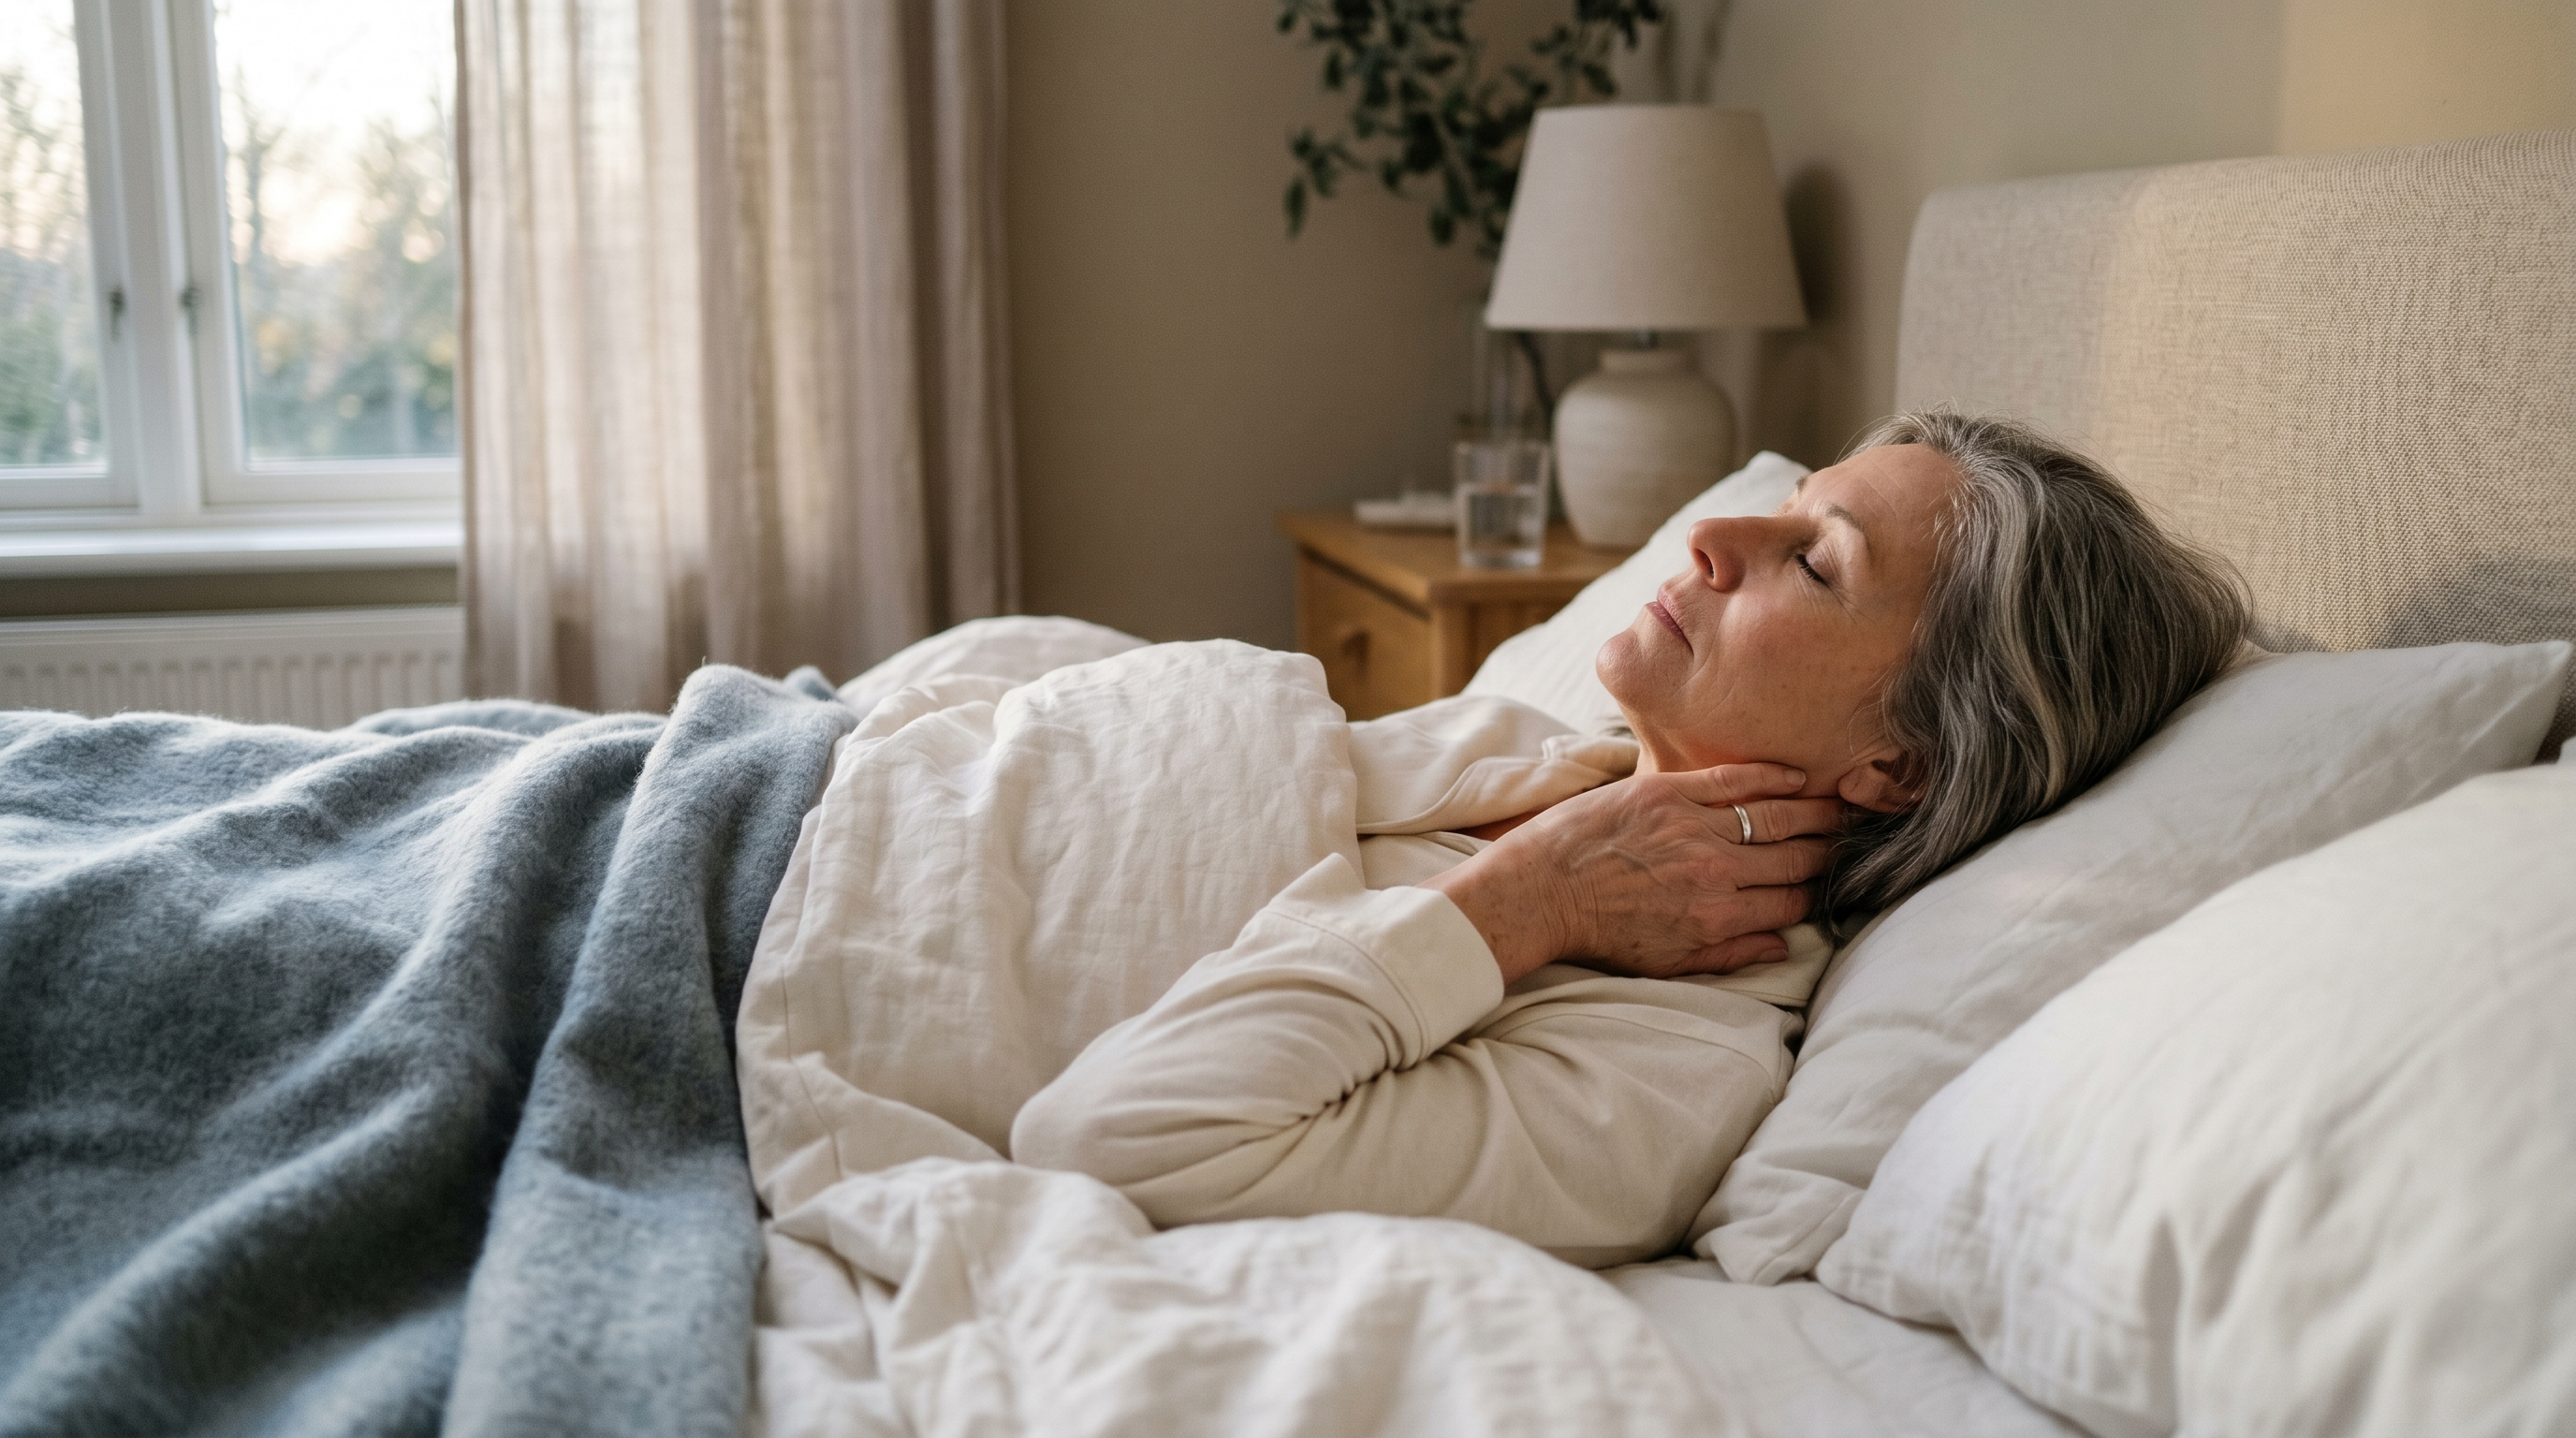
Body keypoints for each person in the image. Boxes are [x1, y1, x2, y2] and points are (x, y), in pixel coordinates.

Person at [785, 411, 2249, 1267]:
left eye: (1810, 560)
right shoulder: (1552, 757)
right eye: (1785, 507)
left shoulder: (1668, 1063)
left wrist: (1519, 904)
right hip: (770, 783)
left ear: (1901, 761)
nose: (1715, 541)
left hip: (734, 917)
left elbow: (1109, 1138)